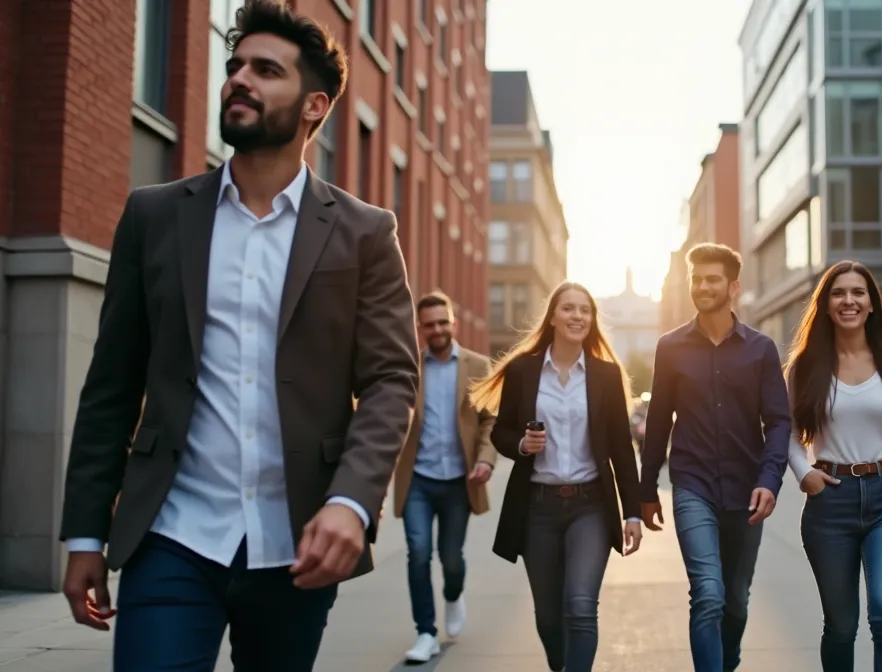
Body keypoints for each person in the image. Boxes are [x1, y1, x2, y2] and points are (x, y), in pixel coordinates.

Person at [57, 3, 420, 670]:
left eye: (266, 70)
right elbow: (112, 381)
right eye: (235, 67)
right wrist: (84, 532)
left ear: (314, 106)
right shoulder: (154, 216)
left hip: (297, 544)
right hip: (172, 534)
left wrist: (350, 501)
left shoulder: (364, 233)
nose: (239, 80)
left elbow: (391, 381)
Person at [469, 281, 644, 672]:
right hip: (538, 509)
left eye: (585, 310)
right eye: (568, 308)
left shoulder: (605, 375)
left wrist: (632, 512)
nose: (577, 316)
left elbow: (621, 448)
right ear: (552, 317)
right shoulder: (523, 370)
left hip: (591, 506)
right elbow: (500, 431)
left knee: (580, 606)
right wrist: (522, 444)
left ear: (591, 320)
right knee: (549, 617)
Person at [639, 243, 791, 672]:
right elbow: (658, 420)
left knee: (735, 599)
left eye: (713, 279)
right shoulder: (670, 347)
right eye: (697, 279)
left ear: (733, 287)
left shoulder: (761, 349)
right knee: (708, 593)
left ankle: (727, 661)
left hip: (747, 490)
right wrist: (646, 490)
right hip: (693, 484)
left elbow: (778, 422)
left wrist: (770, 480)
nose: (703, 287)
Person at [784, 261, 882, 672]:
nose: (848, 300)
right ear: (825, 304)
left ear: (872, 304)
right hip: (830, 502)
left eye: (858, 292)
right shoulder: (805, 367)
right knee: (840, 626)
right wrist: (804, 473)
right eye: (838, 293)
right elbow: (787, 434)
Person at [391, 290, 496, 663]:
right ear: (419, 328)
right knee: (418, 552)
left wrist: (486, 460)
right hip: (417, 479)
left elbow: (490, 420)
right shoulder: (408, 367)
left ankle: (453, 595)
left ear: (454, 323)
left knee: (451, 557)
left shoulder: (478, 366)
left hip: (458, 480)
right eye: (429, 325)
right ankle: (425, 632)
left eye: (442, 322)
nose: (436, 330)